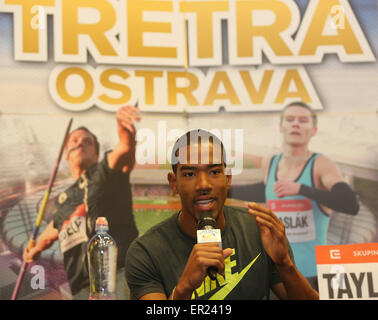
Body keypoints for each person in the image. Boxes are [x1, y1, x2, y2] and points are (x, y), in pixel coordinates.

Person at [125, 129, 319, 300]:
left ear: (227, 179)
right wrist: (184, 289)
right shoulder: (146, 251)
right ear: (173, 182)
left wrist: (284, 264)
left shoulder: (259, 230)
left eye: (214, 171)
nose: (203, 185)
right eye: (190, 174)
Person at [23, 105, 141, 299]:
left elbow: (125, 148)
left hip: (116, 275)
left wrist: (125, 131)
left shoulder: (105, 171)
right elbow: (55, 227)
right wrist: (34, 249)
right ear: (66, 154)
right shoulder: (64, 199)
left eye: (87, 141)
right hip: (80, 289)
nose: (80, 143)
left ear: (96, 153)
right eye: (74, 141)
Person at [258, 101, 359, 289]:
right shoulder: (269, 162)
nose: (296, 124)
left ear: (314, 130)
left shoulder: (320, 164)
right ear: (281, 127)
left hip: (313, 275)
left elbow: (350, 204)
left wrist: (302, 189)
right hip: (276, 274)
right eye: (290, 119)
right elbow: (264, 194)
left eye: (303, 120)